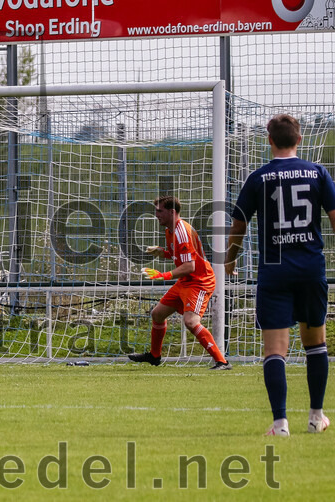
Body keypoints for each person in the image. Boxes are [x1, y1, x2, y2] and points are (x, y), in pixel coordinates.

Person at [226, 114, 335, 436]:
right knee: (316, 343)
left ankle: (280, 424)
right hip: (311, 268)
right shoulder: (317, 172)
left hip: (274, 272)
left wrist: (230, 260)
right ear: (299, 140)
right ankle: (316, 417)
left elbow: (238, 225)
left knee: (275, 349)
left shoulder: (258, 178)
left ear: (269, 140)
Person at [129, 196, 230, 370]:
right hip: (186, 281)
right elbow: (181, 255)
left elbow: (189, 266)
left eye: (159, 211)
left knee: (190, 322)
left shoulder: (182, 231)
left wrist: (164, 275)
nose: (156, 214)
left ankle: (222, 361)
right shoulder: (170, 230)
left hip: (199, 282)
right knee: (157, 314)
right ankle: (154, 356)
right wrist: (163, 252)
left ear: (172, 212)